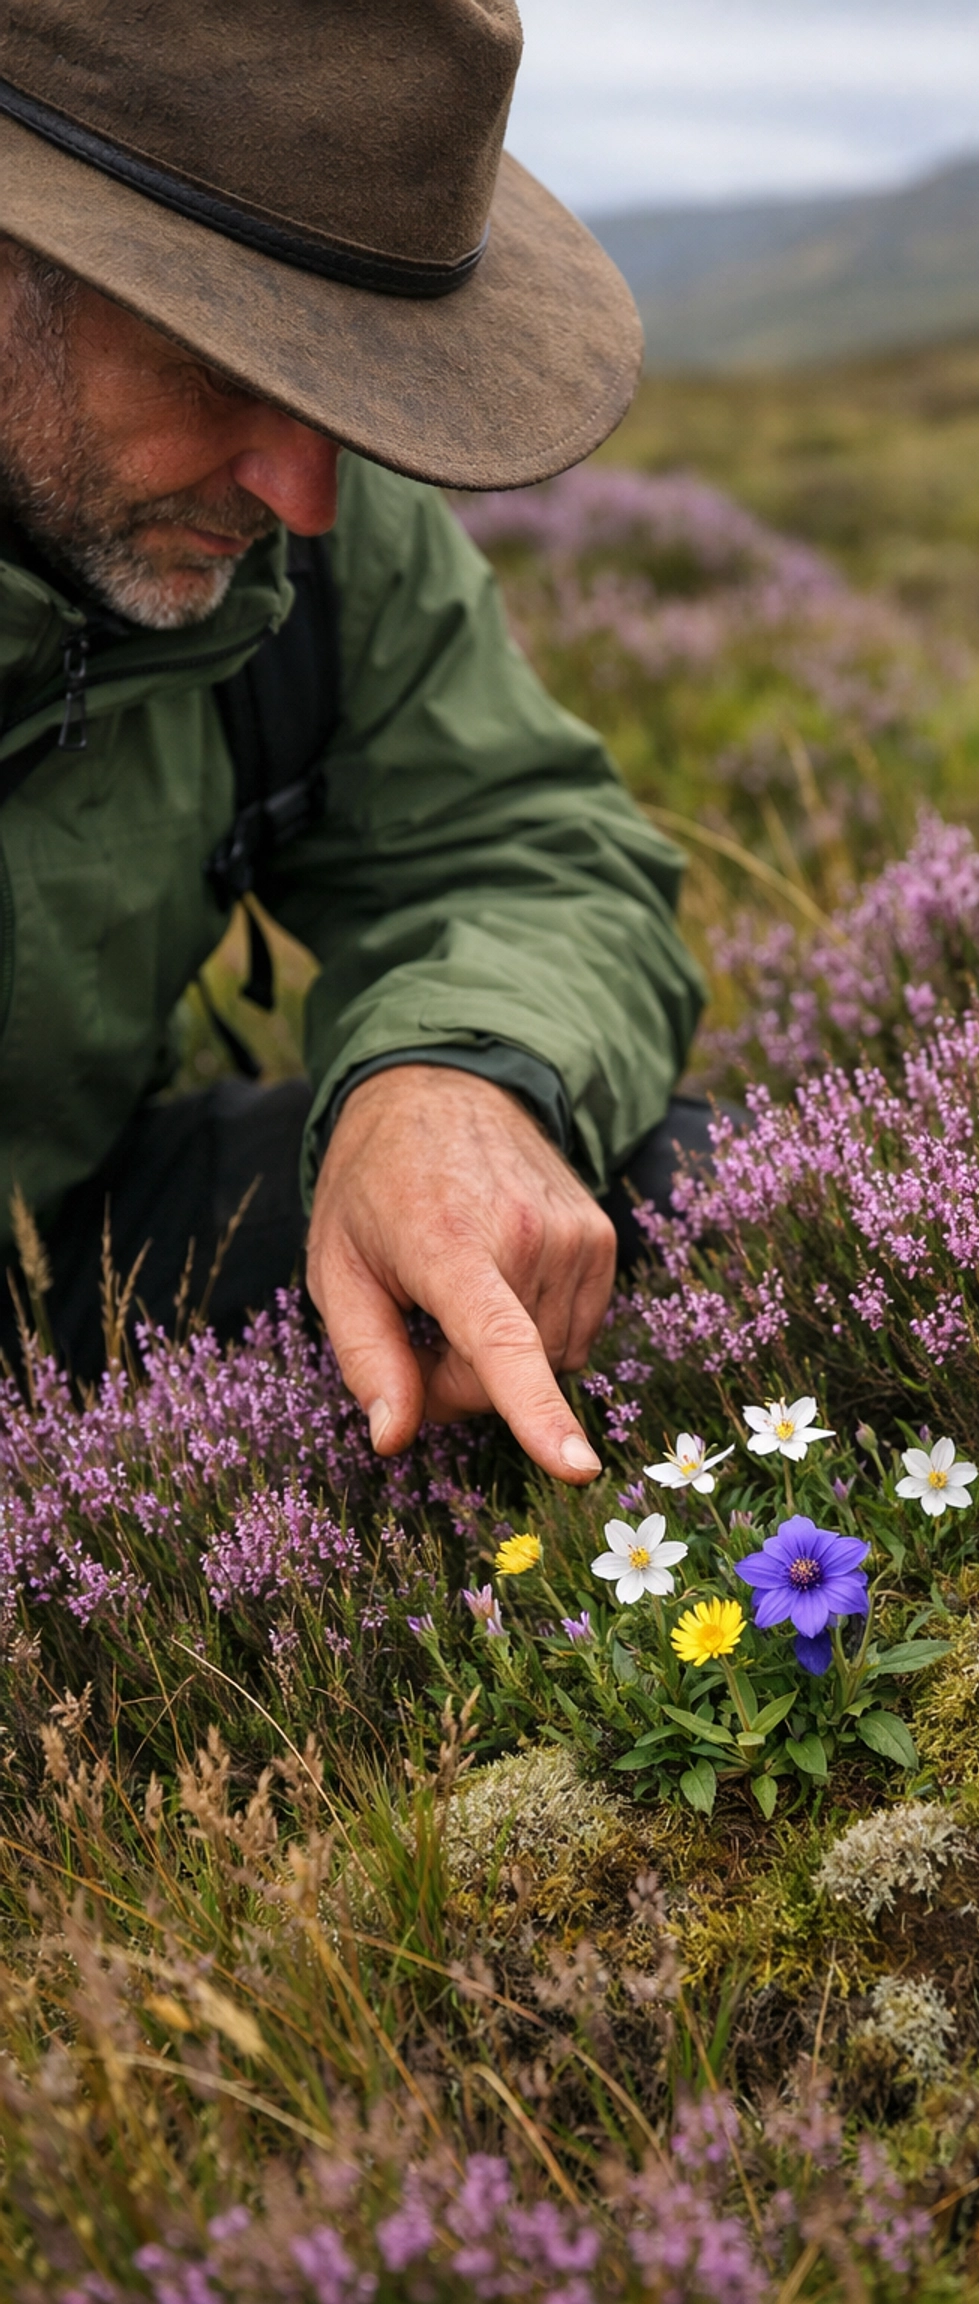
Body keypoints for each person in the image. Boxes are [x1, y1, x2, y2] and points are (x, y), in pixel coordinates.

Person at [0, 0, 708, 1484]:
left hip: (63, 1242)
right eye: (222, 367)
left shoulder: (301, 534)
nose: (307, 496)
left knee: (647, 1190)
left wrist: (447, 1081)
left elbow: (524, 844)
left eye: (343, 377)